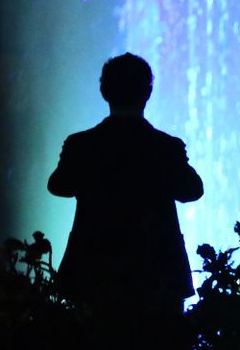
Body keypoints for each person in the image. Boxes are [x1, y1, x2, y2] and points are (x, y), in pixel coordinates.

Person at [48, 53, 203, 325]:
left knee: (94, 345)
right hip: (156, 270)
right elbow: (192, 190)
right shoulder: (165, 147)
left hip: (93, 267)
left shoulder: (81, 145)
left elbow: (58, 185)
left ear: (104, 92)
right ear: (148, 93)